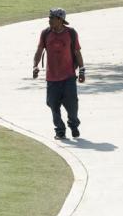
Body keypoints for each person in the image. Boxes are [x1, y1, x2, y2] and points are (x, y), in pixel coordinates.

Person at [33, 8, 85, 140]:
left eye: (52, 18)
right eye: (49, 17)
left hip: (68, 76)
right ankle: (60, 130)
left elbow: (77, 52)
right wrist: (35, 65)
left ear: (60, 20)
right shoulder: (45, 33)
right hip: (52, 78)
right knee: (52, 104)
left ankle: (73, 125)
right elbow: (39, 50)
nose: (49, 20)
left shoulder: (71, 33)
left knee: (72, 104)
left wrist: (82, 70)